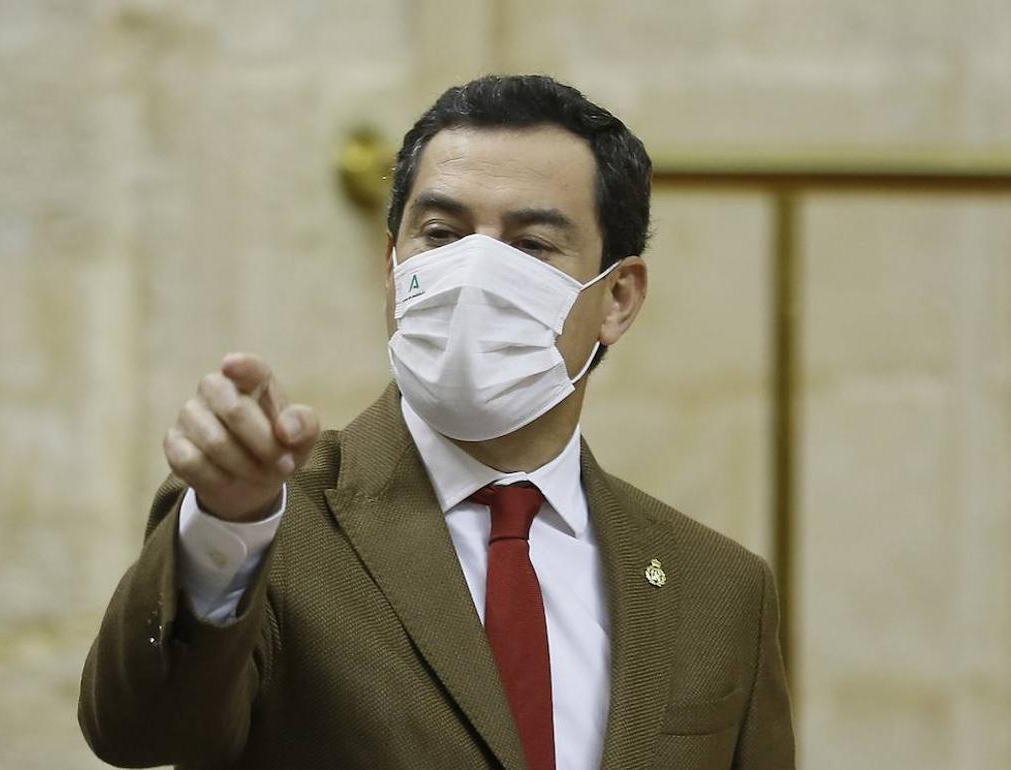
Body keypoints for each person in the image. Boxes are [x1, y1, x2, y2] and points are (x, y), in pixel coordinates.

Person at [78, 74, 794, 770]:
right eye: (443, 232)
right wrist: (229, 528)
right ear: (392, 270)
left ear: (618, 298)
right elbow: (141, 732)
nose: (474, 271)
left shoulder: (720, 590)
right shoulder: (275, 525)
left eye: (531, 246)